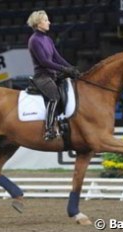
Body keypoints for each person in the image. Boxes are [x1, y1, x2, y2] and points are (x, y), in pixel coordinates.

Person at [27, 10, 80, 141]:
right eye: (46, 20)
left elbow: (57, 57)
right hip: (42, 76)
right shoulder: (34, 40)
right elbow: (45, 62)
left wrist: (71, 68)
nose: (49, 22)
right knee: (55, 97)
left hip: (53, 75)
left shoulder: (47, 39)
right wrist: (64, 69)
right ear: (38, 24)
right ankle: (49, 128)